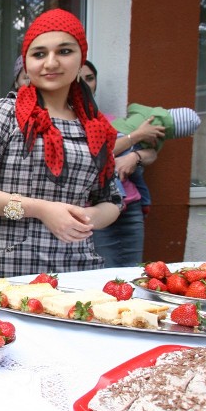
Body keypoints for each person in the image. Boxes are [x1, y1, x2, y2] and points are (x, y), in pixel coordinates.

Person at [0, 9, 123, 277]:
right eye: (39, 53)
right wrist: (40, 210)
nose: (51, 62)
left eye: (64, 51)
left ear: (82, 59)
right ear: (27, 62)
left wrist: (82, 218)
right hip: (14, 271)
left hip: (80, 270)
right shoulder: (7, 112)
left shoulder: (94, 124)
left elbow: (111, 200)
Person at [80, 59, 161, 267]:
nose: (85, 83)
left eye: (90, 78)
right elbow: (95, 153)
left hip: (130, 206)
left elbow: (151, 153)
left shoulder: (111, 120)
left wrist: (135, 157)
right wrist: (136, 135)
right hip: (95, 209)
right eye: (80, 78)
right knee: (105, 276)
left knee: (132, 274)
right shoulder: (68, 123)